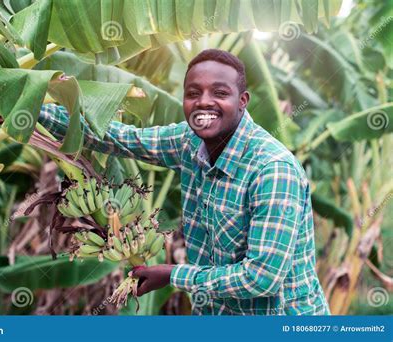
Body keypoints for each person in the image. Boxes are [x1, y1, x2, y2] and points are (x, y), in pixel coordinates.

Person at [38, 49, 330, 315]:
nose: (204, 102)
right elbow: (121, 138)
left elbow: (261, 278)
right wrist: (30, 111)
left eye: (219, 92)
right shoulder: (187, 142)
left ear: (242, 101)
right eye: (193, 93)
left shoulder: (272, 171)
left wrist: (171, 275)